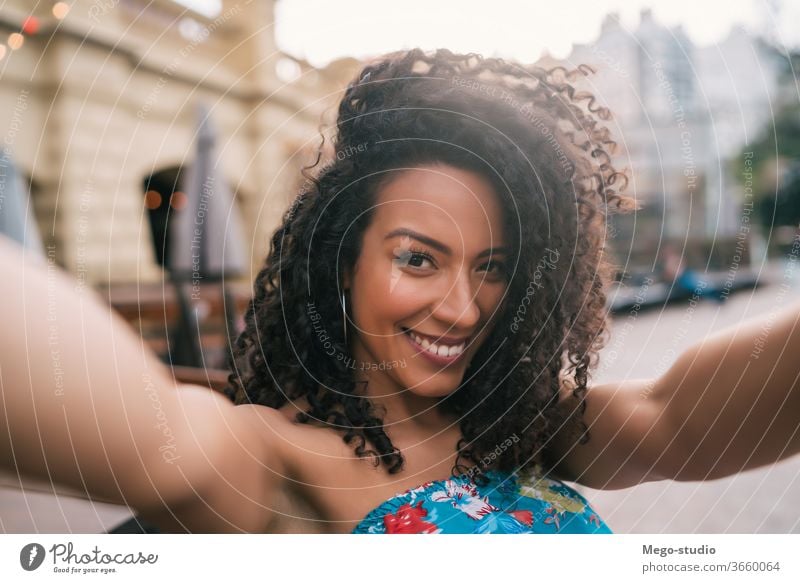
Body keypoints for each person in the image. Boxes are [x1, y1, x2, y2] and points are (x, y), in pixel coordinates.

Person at [2, 48, 799, 534]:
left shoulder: (529, 425)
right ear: (342, 261)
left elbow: (681, 417)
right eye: (418, 259)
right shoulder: (275, 461)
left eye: (492, 266)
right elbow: (147, 432)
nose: (462, 306)